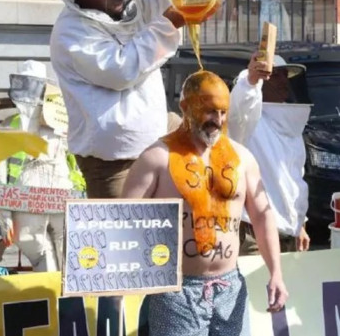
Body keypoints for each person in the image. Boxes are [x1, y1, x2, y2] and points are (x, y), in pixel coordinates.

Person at [122, 70, 288, 335]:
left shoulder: (242, 158)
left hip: (229, 288)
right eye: (209, 111)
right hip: (175, 292)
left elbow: (262, 216)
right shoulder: (157, 158)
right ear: (185, 106)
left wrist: (276, 273)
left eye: (223, 112)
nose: (218, 120)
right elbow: (123, 221)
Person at [49, 0, 213, 199]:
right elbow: (123, 69)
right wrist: (169, 24)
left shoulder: (126, 7)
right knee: (120, 232)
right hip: (113, 164)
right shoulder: (71, 32)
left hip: (157, 143)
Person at [0, 60, 86, 272]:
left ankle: (58, 297)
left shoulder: (58, 121)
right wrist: (5, 214)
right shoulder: (15, 124)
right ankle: (61, 299)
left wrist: (5, 215)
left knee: (57, 254)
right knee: (54, 253)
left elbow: (75, 162)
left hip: (47, 193)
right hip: (36, 195)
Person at [229, 53, 311, 254]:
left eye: (284, 75)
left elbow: (294, 179)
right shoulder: (248, 122)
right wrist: (251, 79)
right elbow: (240, 107)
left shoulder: (291, 124)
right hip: (253, 229)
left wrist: (300, 223)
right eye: (275, 75)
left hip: (290, 233)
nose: (283, 81)